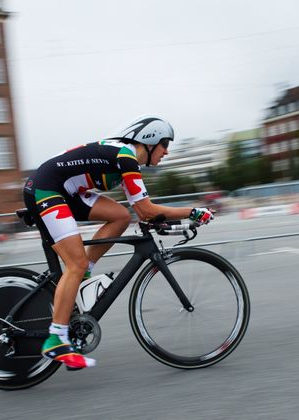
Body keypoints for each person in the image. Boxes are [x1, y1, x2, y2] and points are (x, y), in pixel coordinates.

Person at [23, 115, 214, 369]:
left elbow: (137, 211)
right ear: (149, 141)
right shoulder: (126, 157)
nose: (167, 151)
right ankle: (56, 339)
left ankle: (82, 276)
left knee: (119, 216)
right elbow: (146, 210)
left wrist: (158, 219)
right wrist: (191, 211)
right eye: (165, 144)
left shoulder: (124, 158)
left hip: (66, 191)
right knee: (75, 263)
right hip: (46, 190)